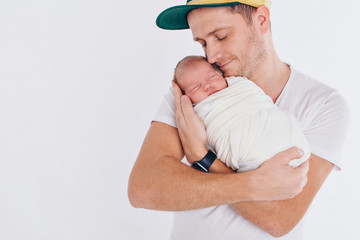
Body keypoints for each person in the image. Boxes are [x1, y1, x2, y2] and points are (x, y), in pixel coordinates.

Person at [128, 0, 349, 239]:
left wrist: (203, 158)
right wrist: (256, 183)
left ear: (262, 20)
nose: (211, 56)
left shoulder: (322, 103)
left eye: (221, 36)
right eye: (202, 43)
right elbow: (144, 189)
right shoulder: (194, 90)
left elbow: (280, 219)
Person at [174, 55, 310, 172]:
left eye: (211, 77)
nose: (207, 85)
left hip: (269, 120)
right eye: (195, 87)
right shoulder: (194, 110)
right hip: (239, 142)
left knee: (278, 121)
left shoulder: (239, 84)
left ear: (221, 74)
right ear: (185, 95)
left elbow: (259, 100)